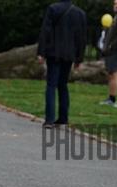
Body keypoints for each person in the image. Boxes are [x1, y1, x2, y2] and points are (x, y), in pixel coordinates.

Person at [37, 0, 86, 128]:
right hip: (69, 54)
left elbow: (45, 31)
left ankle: (49, 119)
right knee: (63, 84)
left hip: (54, 52)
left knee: (51, 85)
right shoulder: (80, 13)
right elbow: (81, 37)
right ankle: (63, 118)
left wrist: (41, 52)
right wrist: (79, 58)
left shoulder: (53, 9)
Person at [99, 0, 117, 108]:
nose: (116, 6)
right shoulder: (116, 17)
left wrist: (110, 47)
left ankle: (113, 100)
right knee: (110, 74)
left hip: (115, 52)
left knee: (114, 74)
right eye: (115, 4)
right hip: (111, 52)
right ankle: (110, 97)